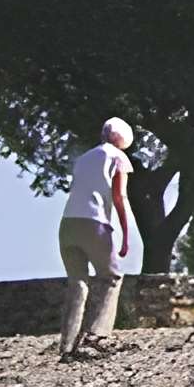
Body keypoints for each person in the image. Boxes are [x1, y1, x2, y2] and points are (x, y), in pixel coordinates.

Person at [59, 119, 136, 362]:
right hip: (95, 223)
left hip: (68, 224)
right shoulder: (118, 157)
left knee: (77, 284)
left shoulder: (84, 158)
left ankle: (67, 345)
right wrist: (125, 234)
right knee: (112, 277)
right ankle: (96, 334)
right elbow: (119, 196)